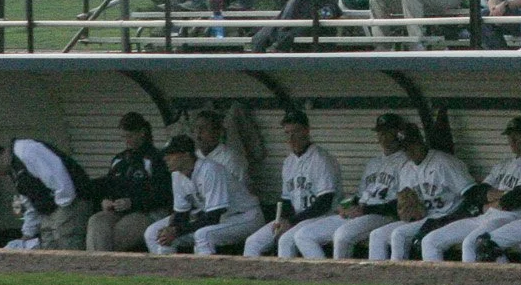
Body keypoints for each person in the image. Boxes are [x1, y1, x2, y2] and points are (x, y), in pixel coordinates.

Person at [418, 117, 521, 262]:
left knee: (471, 244)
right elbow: (478, 194)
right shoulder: (503, 164)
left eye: (518, 134)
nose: (512, 139)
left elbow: (518, 197)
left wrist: (491, 199)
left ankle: (485, 283)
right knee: (430, 240)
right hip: (486, 216)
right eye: (510, 135)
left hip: (511, 217)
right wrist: (496, 198)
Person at [289, 113, 409, 259]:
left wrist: (364, 209)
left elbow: (400, 204)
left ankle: (342, 278)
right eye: (380, 132)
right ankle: (327, 276)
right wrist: (346, 205)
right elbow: (360, 196)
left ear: (399, 133)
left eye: (388, 132)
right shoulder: (373, 163)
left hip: (384, 215)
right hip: (363, 211)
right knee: (304, 235)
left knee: (342, 236)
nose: (383, 137)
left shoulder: (406, 162)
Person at [367, 125, 475, 261]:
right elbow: (406, 204)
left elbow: (471, 194)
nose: (409, 151)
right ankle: (382, 278)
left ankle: (412, 276)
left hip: (448, 217)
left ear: (421, 142)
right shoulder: (406, 169)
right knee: (377, 234)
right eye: (405, 148)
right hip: (425, 218)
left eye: (412, 145)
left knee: (399, 234)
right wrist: (406, 210)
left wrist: (451, 218)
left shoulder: (445, 163)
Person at [243, 111, 343, 259]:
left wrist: (291, 221)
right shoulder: (289, 162)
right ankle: (254, 281)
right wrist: (282, 220)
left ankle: (317, 277)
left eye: (295, 132)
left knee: (286, 240)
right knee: (252, 242)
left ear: (306, 131)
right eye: (287, 133)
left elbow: (324, 203)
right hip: (299, 218)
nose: (291, 137)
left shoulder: (321, 159)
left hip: (323, 217)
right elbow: (286, 201)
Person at [147, 134, 263, 255]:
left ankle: (206, 273)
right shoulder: (176, 174)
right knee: (157, 234)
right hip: (219, 219)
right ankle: (168, 273)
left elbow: (214, 216)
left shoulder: (210, 169)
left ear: (186, 154)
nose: (166, 158)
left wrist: (176, 230)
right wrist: (170, 229)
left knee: (203, 235)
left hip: (245, 217)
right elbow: (181, 213)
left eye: (171, 154)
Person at [0, 136, 91, 251]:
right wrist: (27, 234)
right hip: (51, 211)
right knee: (48, 251)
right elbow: (31, 204)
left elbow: (58, 177)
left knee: (68, 247)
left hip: (70, 203)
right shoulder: (15, 172)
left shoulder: (26, 151)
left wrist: (62, 208)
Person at [85, 112, 173, 253]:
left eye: (129, 136)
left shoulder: (155, 159)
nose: (126, 141)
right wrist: (105, 201)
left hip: (146, 212)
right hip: (118, 211)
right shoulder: (119, 160)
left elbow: (162, 194)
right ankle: (98, 264)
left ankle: (102, 266)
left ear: (142, 133)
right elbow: (109, 185)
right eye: (123, 137)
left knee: (115, 236)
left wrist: (132, 202)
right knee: (96, 221)